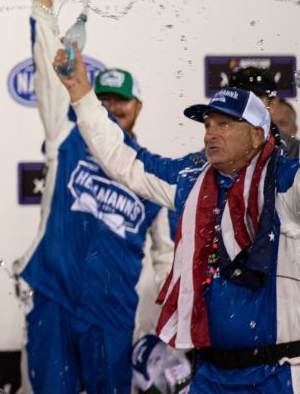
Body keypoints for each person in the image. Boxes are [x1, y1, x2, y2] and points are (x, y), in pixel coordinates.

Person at [55, 50, 300, 393]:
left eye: (225, 124)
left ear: (257, 135)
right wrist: (81, 91)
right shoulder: (192, 180)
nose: (210, 134)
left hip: (278, 375)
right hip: (210, 376)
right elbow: (125, 160)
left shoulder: (286, 183)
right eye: (208, 124)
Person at [17, 0, 183, 394]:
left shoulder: (147, 170)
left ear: (138, 106)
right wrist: (42, 4)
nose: (111, 107)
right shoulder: (66, 135)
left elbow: (166, 257)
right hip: (54, 296)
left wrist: (169, 327)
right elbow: (48, 75)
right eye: (103, 98)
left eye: (121, 100)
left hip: (112, 313)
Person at [227, 66, 298, 158]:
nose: (245, 104)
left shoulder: (295, 151)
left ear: (272, 105)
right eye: (238, 97)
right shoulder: (215, 146)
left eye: (255, 98)